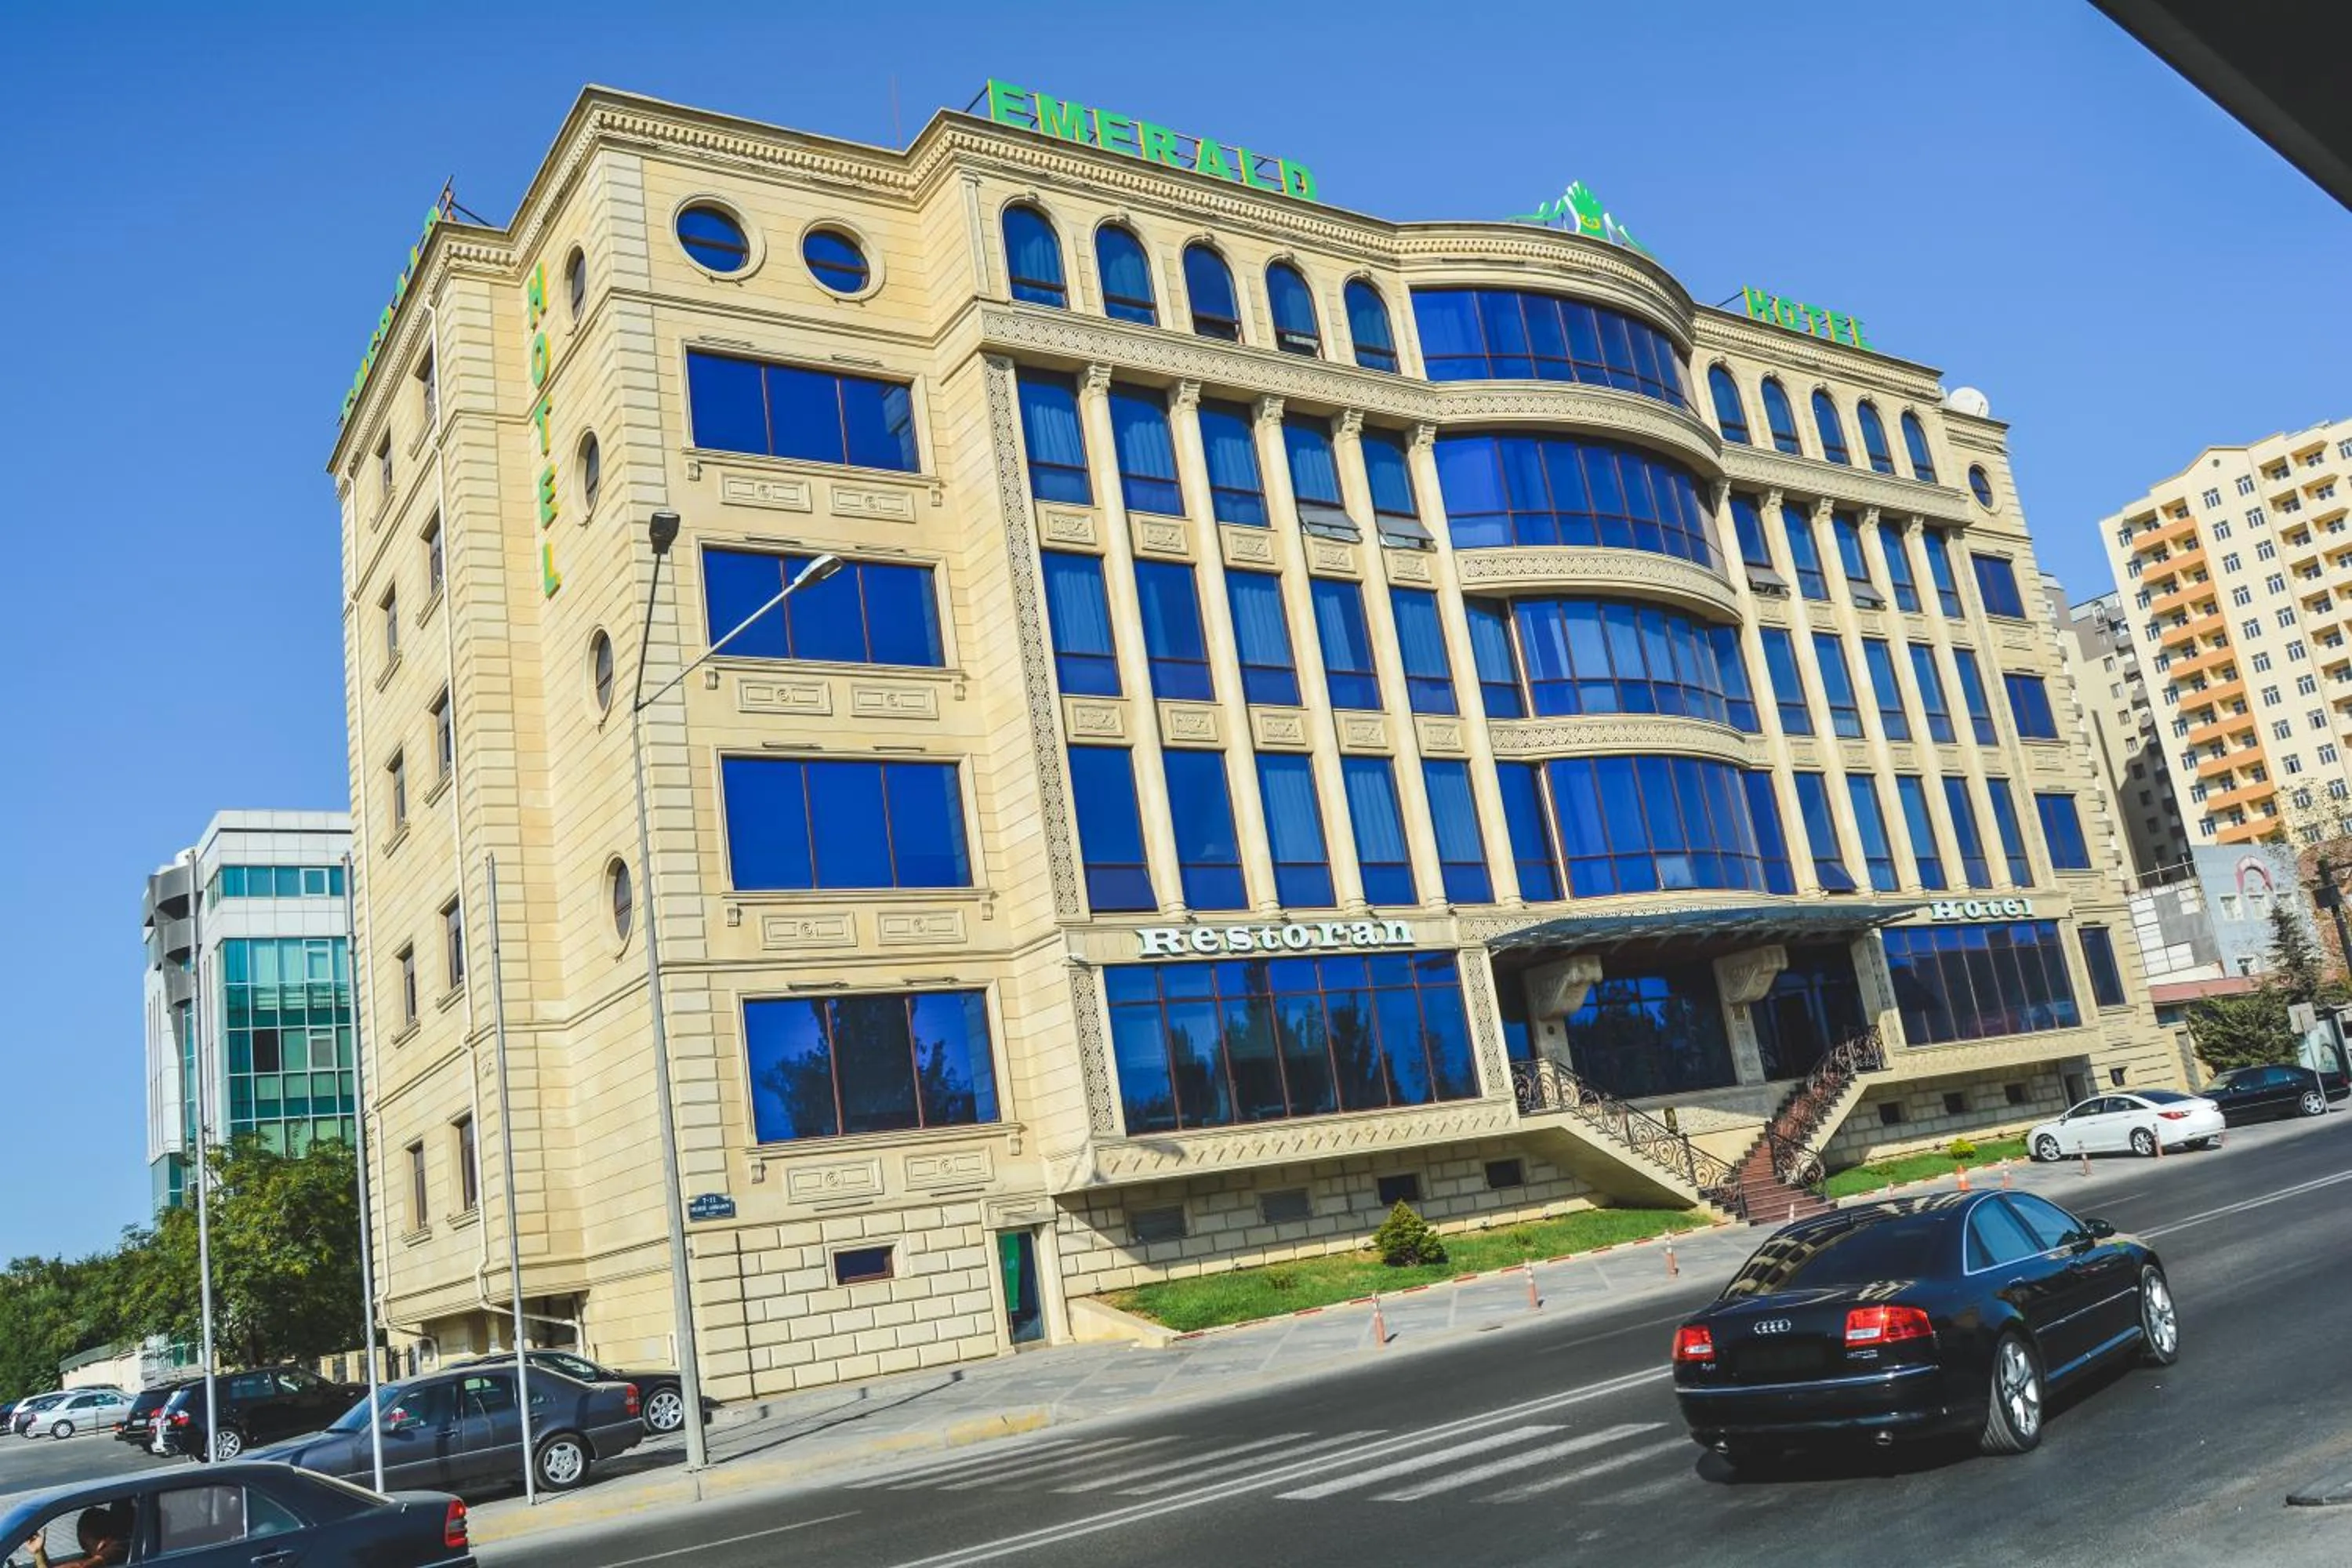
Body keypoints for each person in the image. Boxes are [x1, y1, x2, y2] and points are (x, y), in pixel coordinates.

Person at [28, 1503, 130, 1568]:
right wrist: (39, 1552)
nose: (83, 1548)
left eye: (85, 1544)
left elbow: (82, 1567)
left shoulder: (119, 1549)